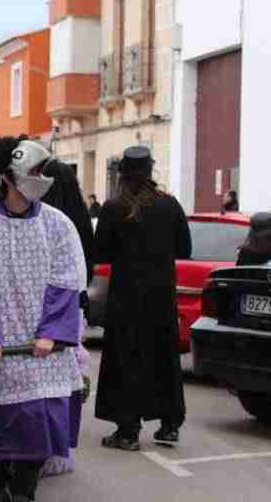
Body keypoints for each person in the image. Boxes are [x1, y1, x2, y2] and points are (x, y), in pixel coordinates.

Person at [0, 137, 86, 502]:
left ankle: (24, 486)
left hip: (42, 348)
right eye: (33, 171)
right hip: (0, 347)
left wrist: (52, 334)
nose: (40, 177)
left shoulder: (58, 225)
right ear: (10, 179)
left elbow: (66, 281)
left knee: (40, 422)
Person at [94, 145, 191, 451]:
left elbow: (101, 253)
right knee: (164, 357)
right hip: (161, 296)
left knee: (127, 359)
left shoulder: (113, 207)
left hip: (126, 298)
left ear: (122, 174)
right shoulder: (170, 205)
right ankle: (169, 425)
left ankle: (128, 430)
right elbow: (184, 249)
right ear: (151, 171)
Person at [40, 159, 95, 474]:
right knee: (66, 374)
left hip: (51, 303)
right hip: (75, 305)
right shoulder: (77, 219)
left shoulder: (48, 222)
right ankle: (59, 447)